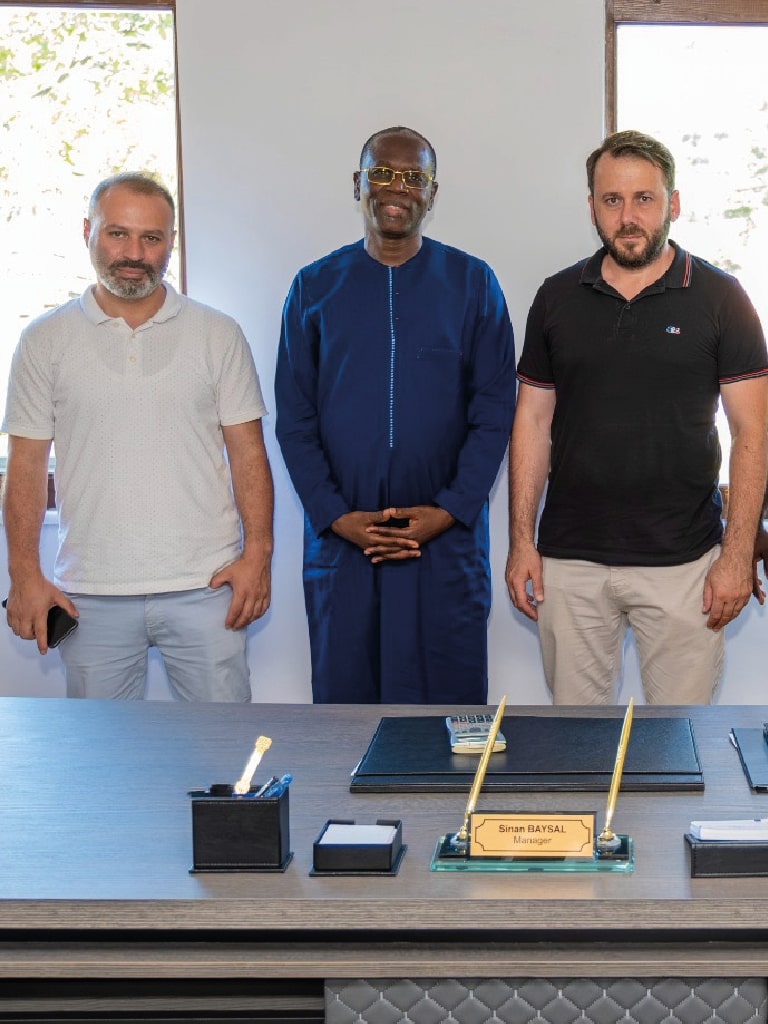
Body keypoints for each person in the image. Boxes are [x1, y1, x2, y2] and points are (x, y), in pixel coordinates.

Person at [506, 130, 768, 706]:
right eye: (612, 200)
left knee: (677, 744)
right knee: (579, 745)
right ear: (592, 208)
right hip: (570, 563)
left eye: (644, 199)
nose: (628, 217)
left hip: (685, 564)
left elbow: (753, 432)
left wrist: (736, 554)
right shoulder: (555, 298)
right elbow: (531, 423)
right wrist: (521, 542)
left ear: (673, 203)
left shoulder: (722, 298)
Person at [2, 172, 273, 701]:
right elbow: (27, 466)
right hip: (90, 592)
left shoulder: (218, 334)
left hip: (207, 586)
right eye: (117, 234)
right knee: (104, 751)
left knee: (223, 746)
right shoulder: (43, 341)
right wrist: (23, 574)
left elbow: (248, 453)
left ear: (171, 242)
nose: (134, 253)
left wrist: (258, 555)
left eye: (151, 238)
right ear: (88, 231)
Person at [275, 126, 516, 704]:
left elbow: (494, 412)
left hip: (444, 544)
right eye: (382, 173)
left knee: (448, 718)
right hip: (344, 543)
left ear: (432, 193)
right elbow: (295, 419)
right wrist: (336, 516)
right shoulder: (313, 288)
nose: (397, 188)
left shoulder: (473, 284)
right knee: (346, 717)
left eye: (414, 177)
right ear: (358, 184)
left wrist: (449, 510)